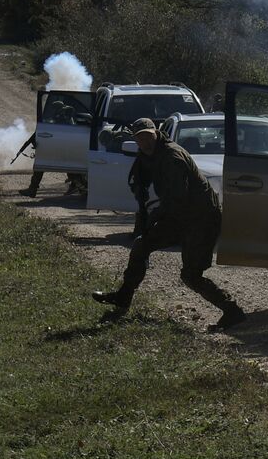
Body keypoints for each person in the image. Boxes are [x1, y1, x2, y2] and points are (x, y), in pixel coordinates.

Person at [91, 118, 245, 331]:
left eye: (147, 135)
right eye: (139, 137)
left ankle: (232, 311)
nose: (144, 141)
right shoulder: (149, 155)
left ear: (156, 133)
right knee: (141, 246)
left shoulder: (172, 157)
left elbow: (176, 198)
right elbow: (141, 180)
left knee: (191, 275)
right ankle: (123, 297)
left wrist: (154, 217)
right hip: (180, 216)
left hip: (200, 219)